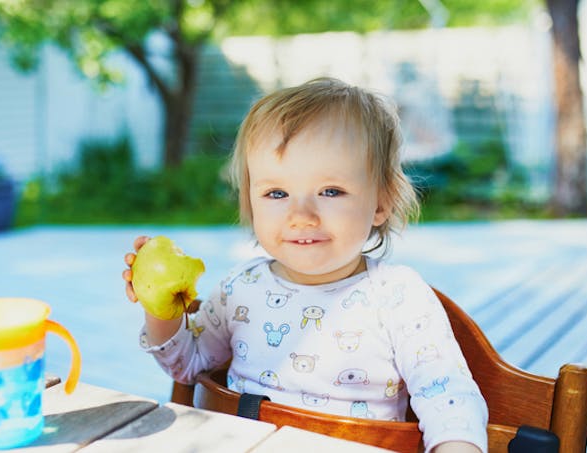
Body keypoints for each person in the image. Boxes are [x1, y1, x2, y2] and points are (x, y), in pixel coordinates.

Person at [122, 77, 488, 452]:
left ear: (381, 202)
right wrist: (159, 307)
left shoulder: (398, 297)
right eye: (276, 193)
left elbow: (450, 401)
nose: (301, 215)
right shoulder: (240, 289)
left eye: (330, 191)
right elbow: (189, 364)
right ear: (250, 204)